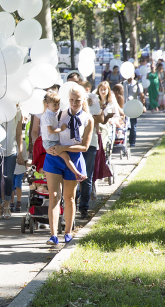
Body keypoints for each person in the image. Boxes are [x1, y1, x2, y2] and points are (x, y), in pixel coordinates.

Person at [43, 85, 94, 245]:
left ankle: (68, 232)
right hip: (54, 157)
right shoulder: (60, 113)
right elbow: (48, 130)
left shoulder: (88, 119)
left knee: (69, 197)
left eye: (77, 100)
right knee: (54, 196)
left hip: (73, 157)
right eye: (71, 100)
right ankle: (53, 235)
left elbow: (85, 146)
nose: (74, 103)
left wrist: (63, 148)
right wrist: (48, 148)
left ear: (83, 100)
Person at [40, 92, 86, 181]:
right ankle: (77, 174)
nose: (57, 107)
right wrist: (61, 129)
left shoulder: (52, 113)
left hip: (51, 141)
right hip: (50, 142)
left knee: (65, 157)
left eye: (58, 104)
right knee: (65, 157)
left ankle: (77, 173)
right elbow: (51, 130)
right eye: (54, 105)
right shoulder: (48, 116)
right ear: (47, 105)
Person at [0, 103, 26, 219]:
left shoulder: (17, 110)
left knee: (8, 177)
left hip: (11, 150)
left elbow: (18, 133)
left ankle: (7, 205)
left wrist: (20, 152)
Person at [76, 81, 101, 219]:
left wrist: (89, 111)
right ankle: (71, 204)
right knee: (71, 175)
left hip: (90, 144)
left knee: (86, 177)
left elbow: (100, 118)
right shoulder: (68, 103)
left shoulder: (91, 99)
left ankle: (84, 207)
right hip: (73, 144)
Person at [125, 76, 145, 147]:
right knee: (123, 126)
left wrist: (143, 105)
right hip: (124, 107)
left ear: (133, 75)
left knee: (133, 125)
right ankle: (122, 142)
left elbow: (141, 95)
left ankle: (132, 142)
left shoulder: (137, 84)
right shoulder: (122, 83)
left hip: (133, 107)